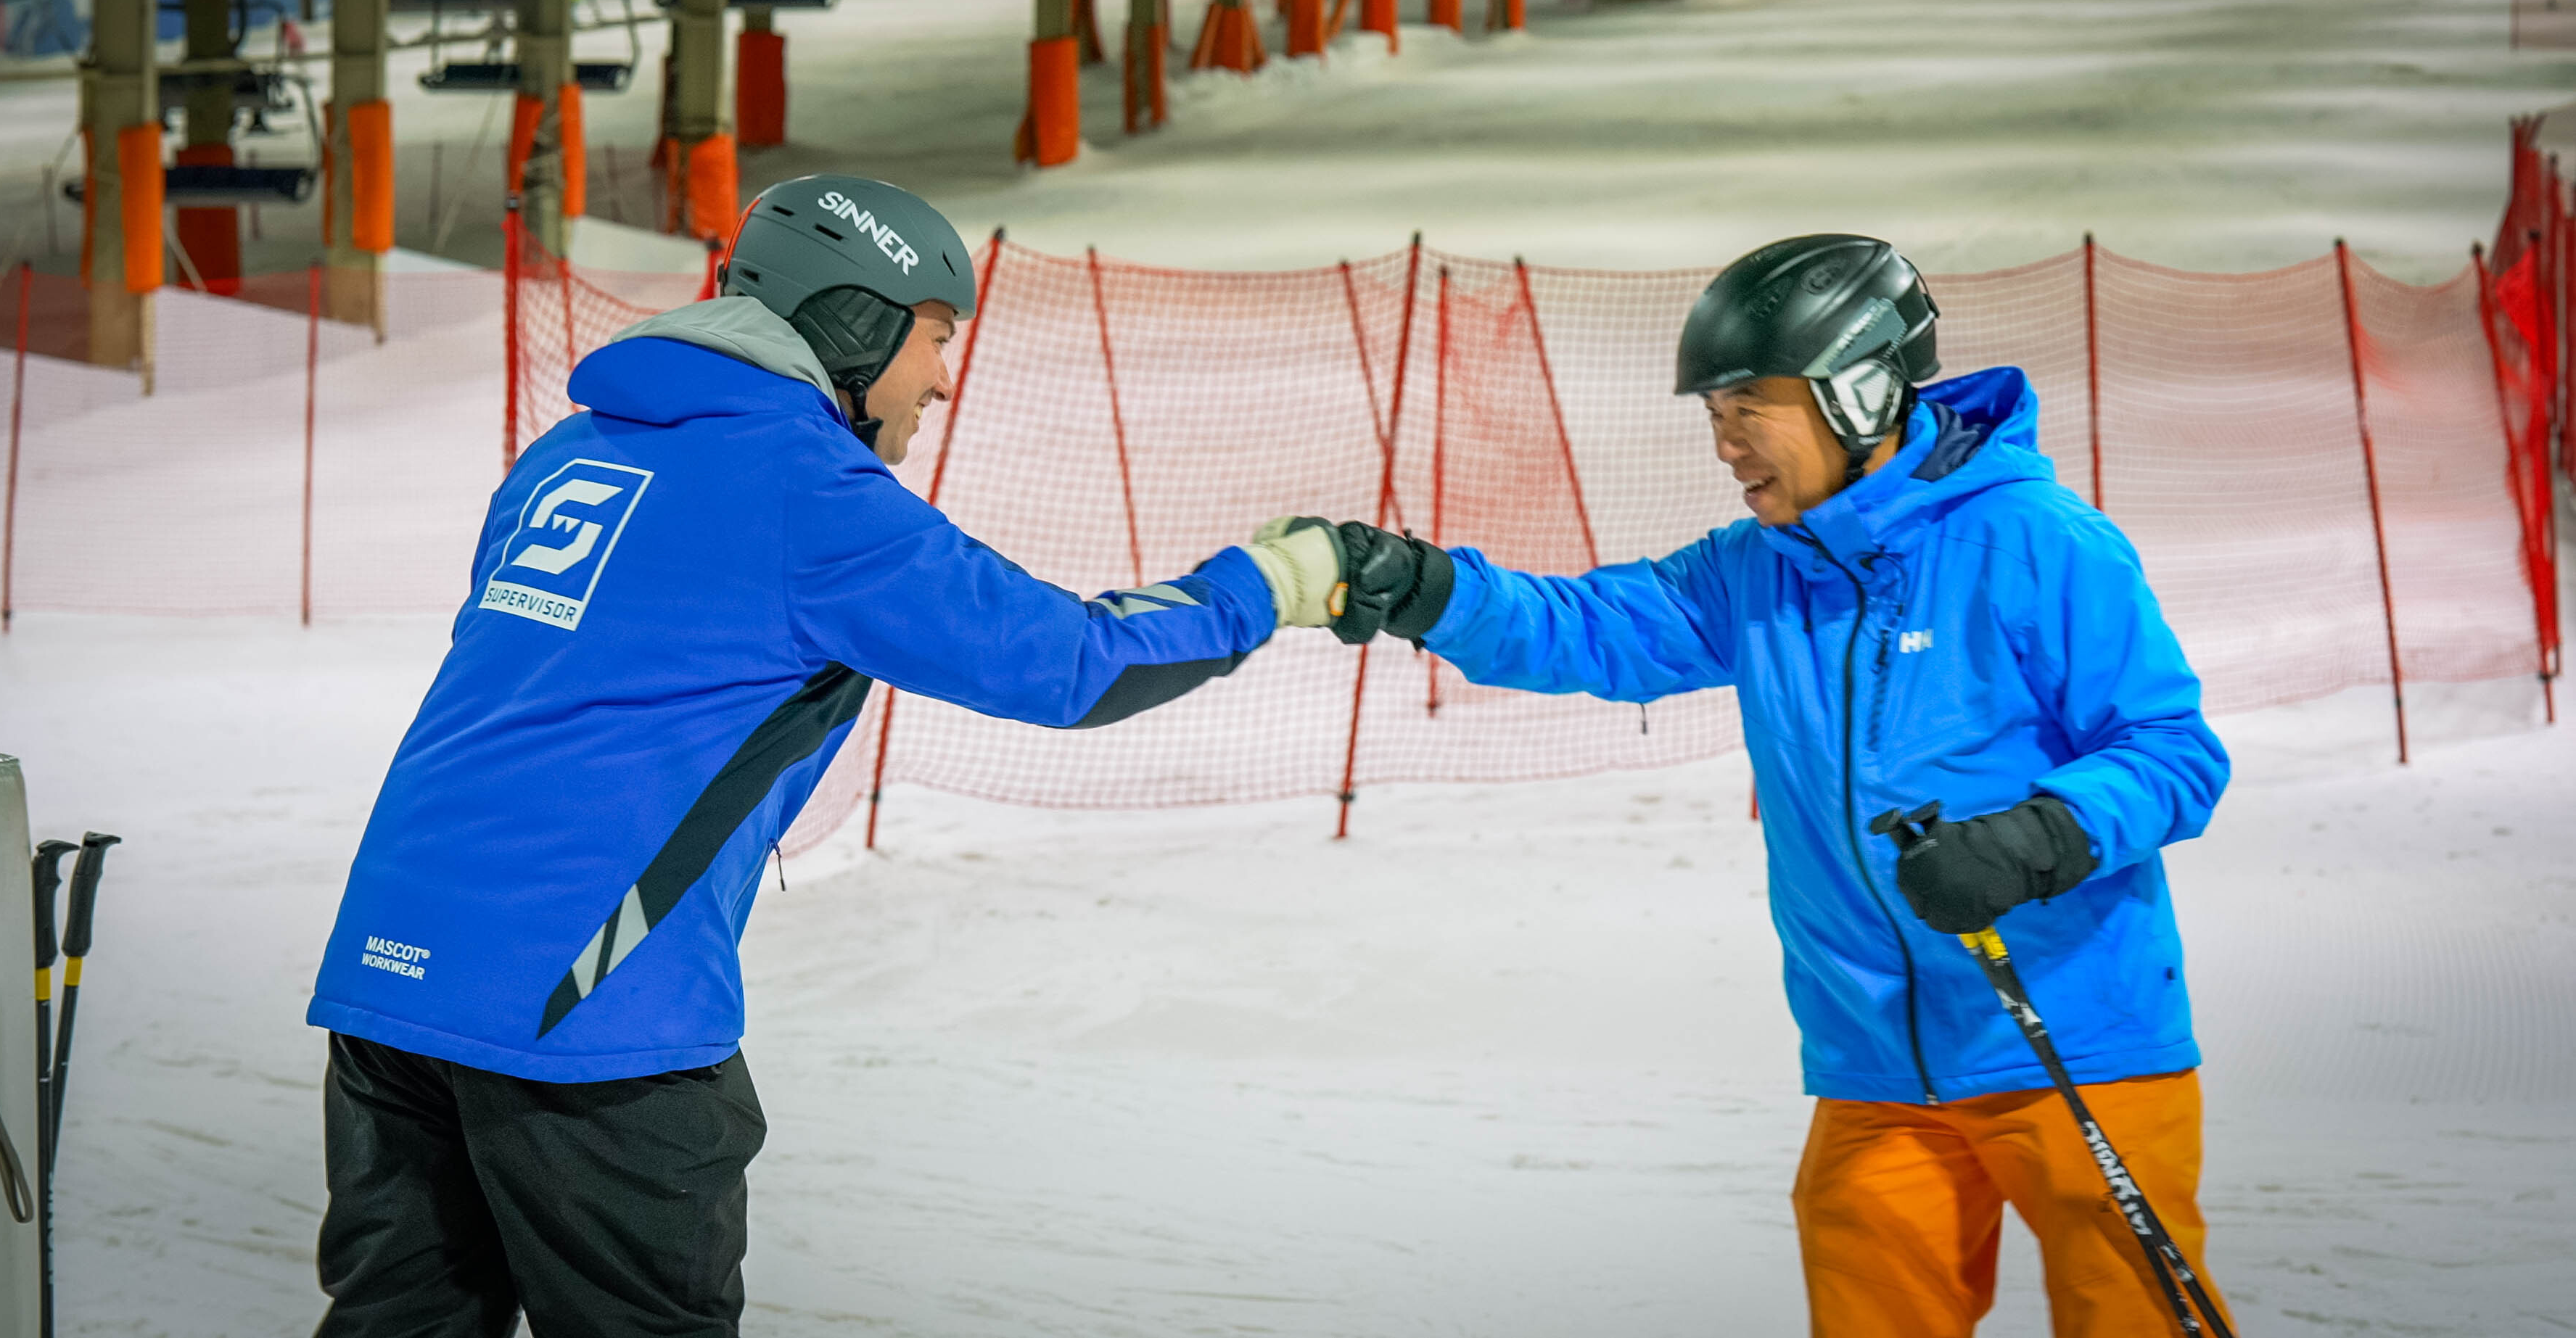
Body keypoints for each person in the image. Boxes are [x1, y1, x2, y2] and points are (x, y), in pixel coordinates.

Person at [304, 175, 1341, 1336]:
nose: (943, 377)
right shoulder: (806, 487)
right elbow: (1071, 661)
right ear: (857, 323)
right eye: (935, 338)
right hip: (580, 1016)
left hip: (390, 979)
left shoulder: (570, 453)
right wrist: (1268, 586)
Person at [1256, 235, 2234, 1336]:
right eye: (1713, 415)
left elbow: (2172, 751)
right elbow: (1590, 627)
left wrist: (2032, 839)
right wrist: (1429, 590)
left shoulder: (2036, 542)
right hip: (1877, 1065)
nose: (1725, 445)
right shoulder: (1758, 572)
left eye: (1747, 409)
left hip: (2074, 1038)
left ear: (1859, 393)